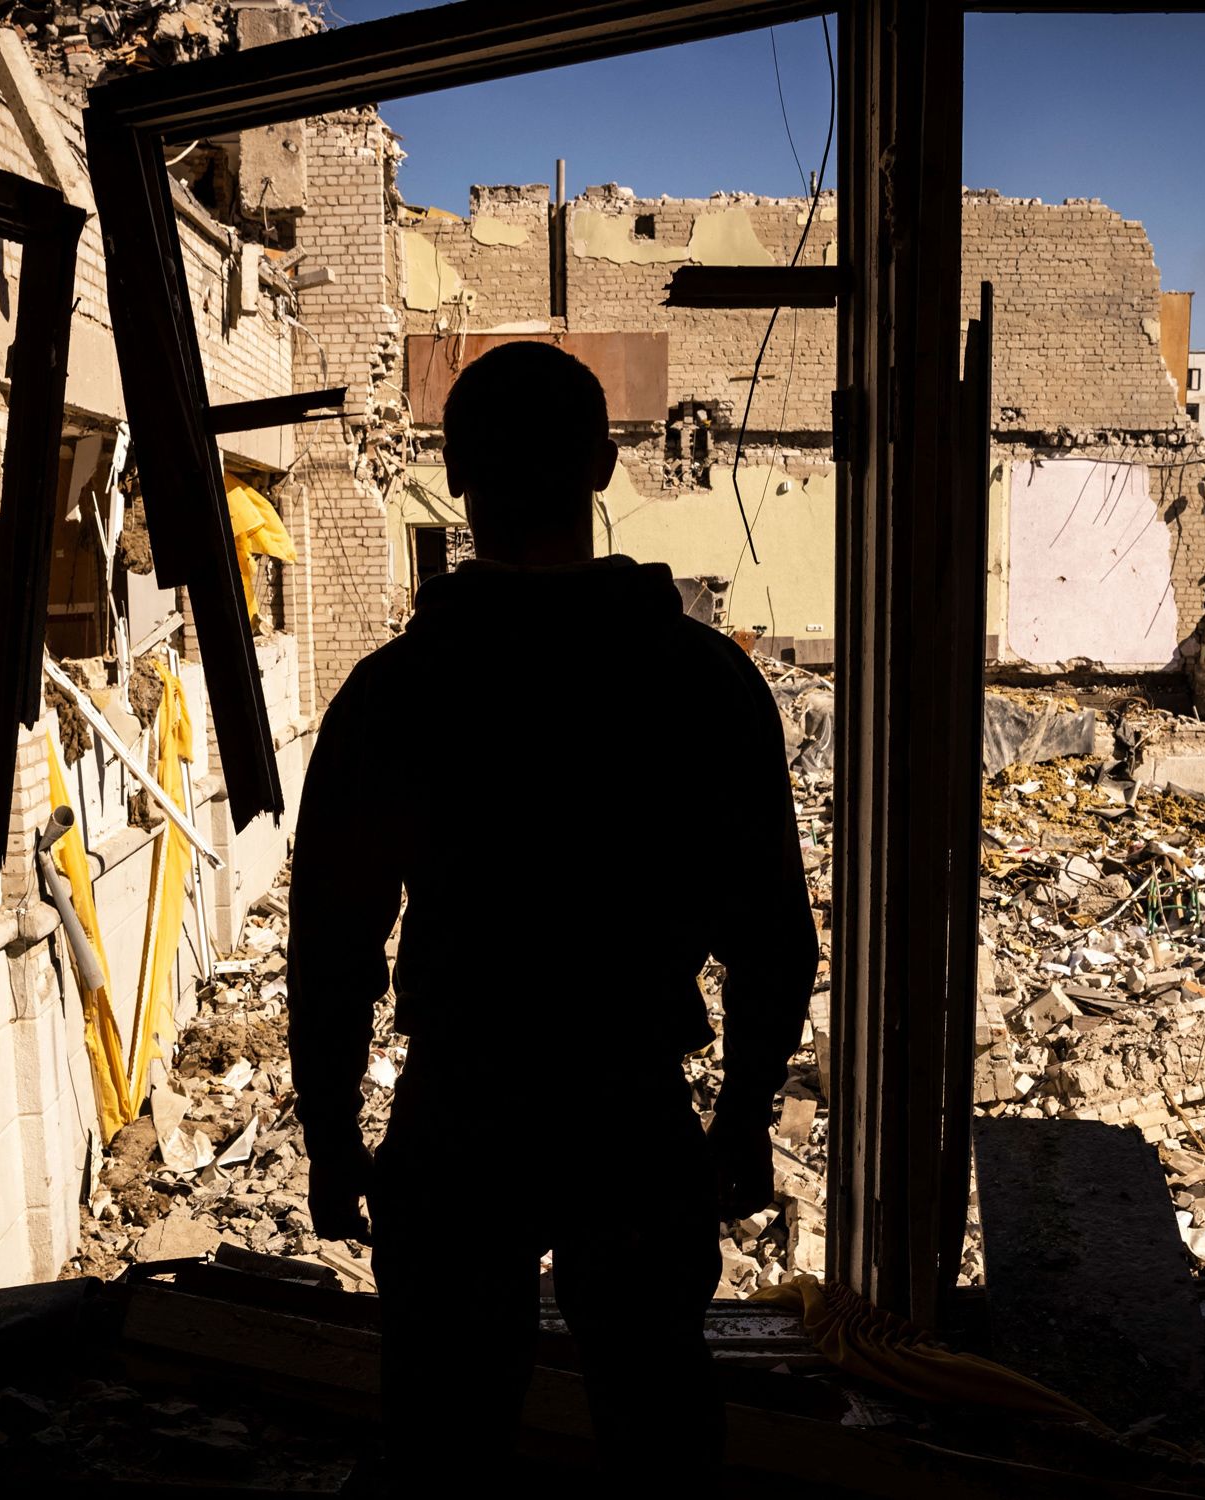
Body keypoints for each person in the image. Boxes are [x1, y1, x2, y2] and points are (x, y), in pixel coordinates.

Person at [286, 342, 817, 1489]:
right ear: (602, 466)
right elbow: (771, 938)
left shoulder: (396, 693)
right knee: (657, 1425)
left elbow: (332, 946)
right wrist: (739, 1123)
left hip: (460, 1113)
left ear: (455, 473)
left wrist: (333, 1135)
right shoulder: (700, 685)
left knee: (445, 1439)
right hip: (629, 1114)